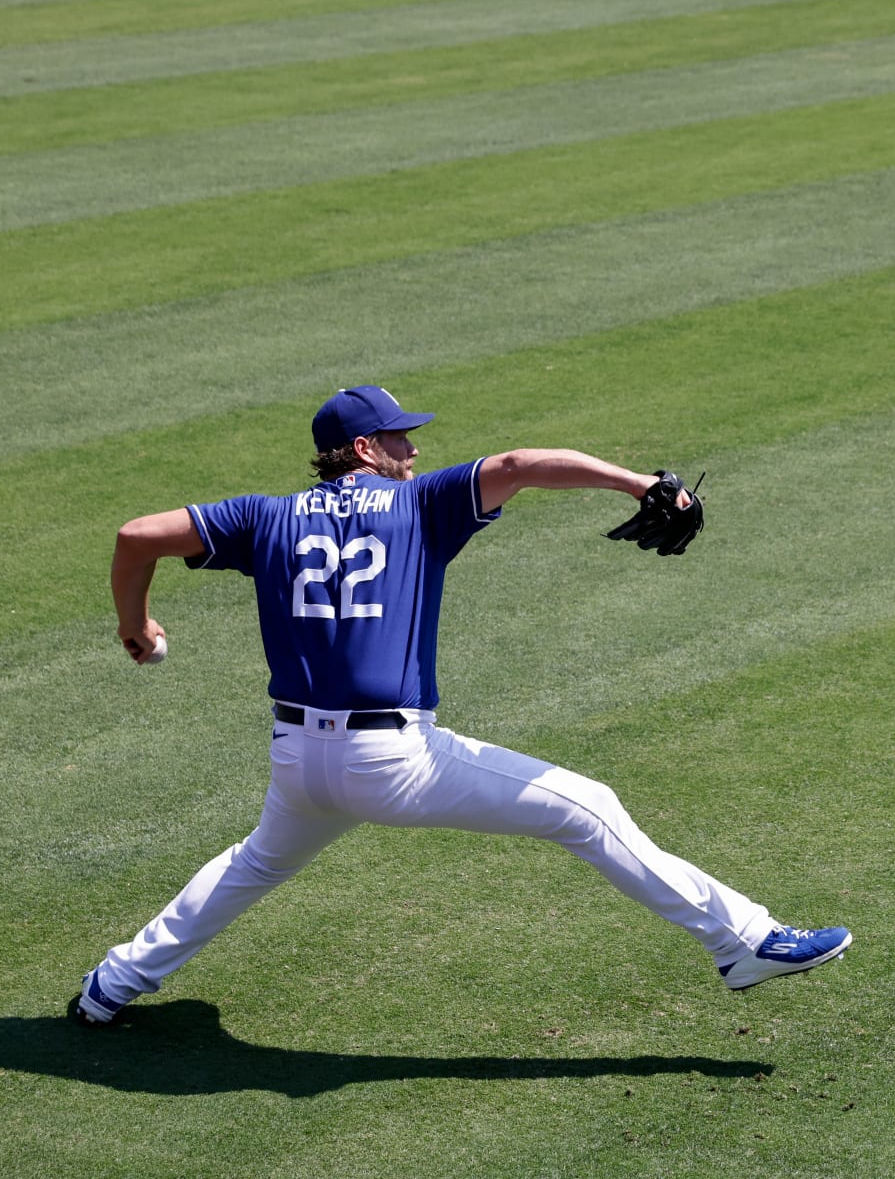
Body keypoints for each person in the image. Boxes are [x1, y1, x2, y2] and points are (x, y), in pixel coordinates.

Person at [70, 385, 851, 1025]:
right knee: (587, 805)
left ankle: (112, 983)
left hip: (299, 759)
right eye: (401, 440)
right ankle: (745, 940)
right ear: (367, 451)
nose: (416, 452)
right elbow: (519, 463)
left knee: (255, 864)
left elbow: (135, 534)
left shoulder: (262, 517)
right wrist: (642, 482)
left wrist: (133, 625)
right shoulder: (419, 506)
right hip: (390, 760)